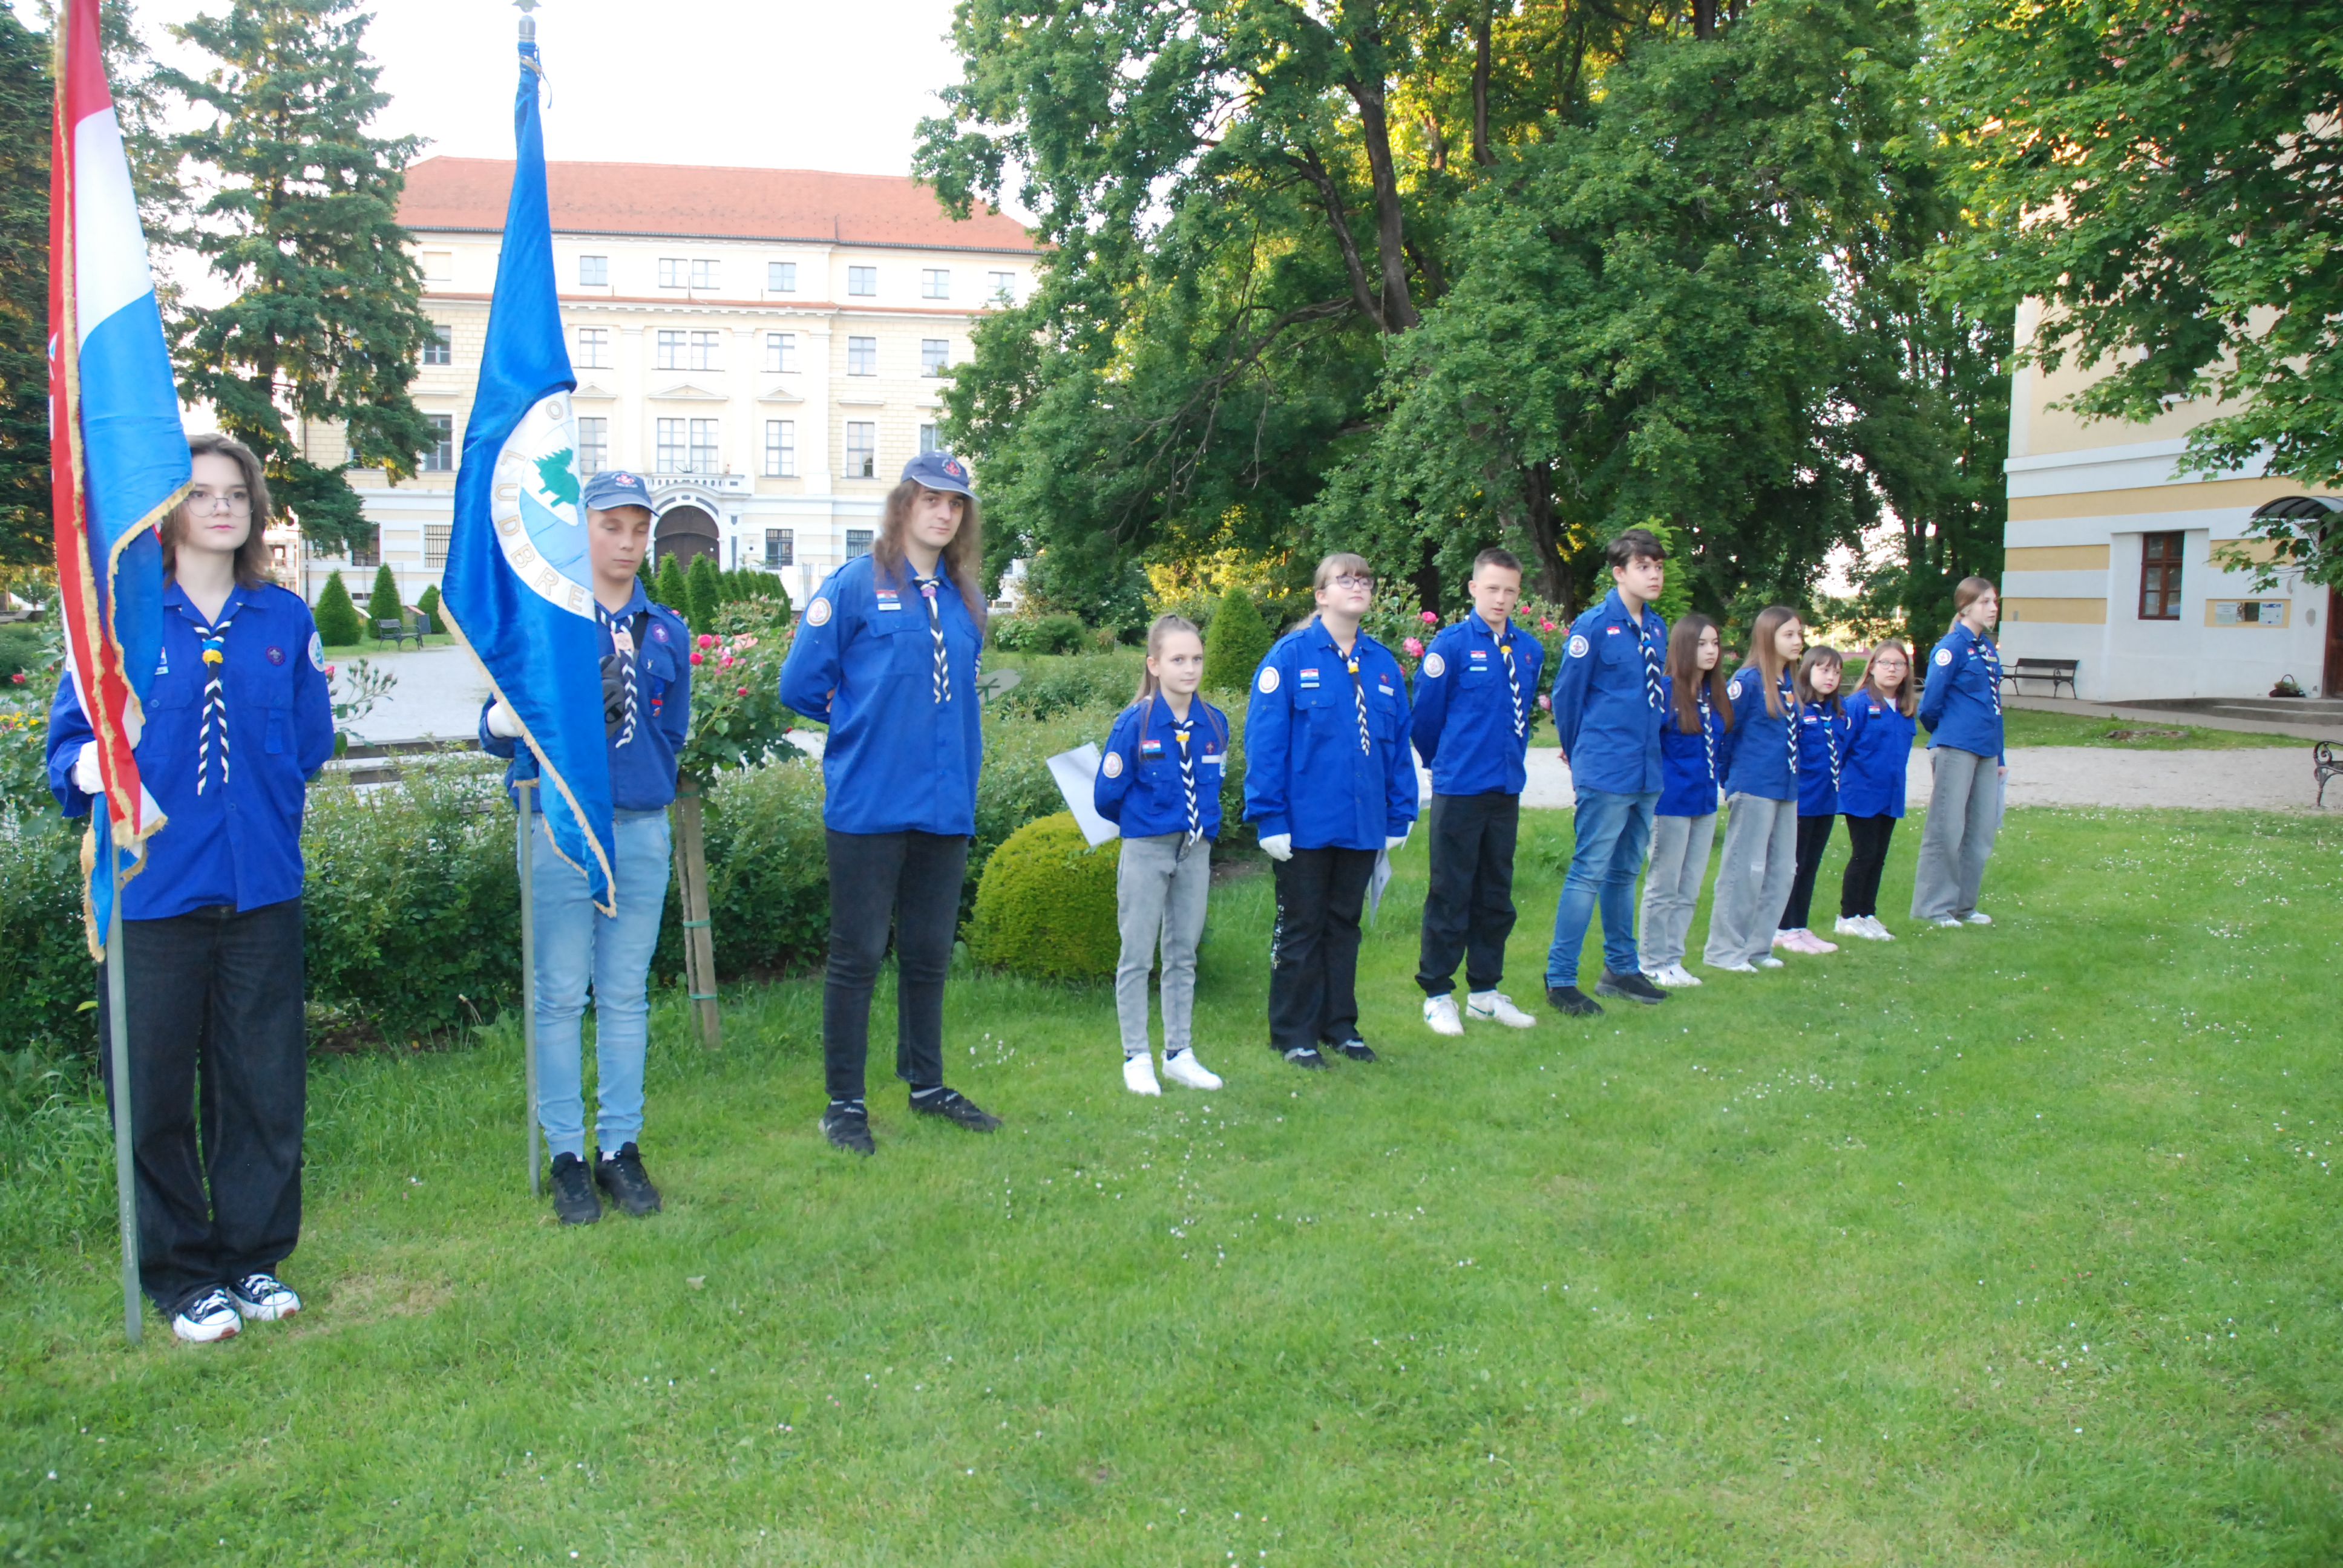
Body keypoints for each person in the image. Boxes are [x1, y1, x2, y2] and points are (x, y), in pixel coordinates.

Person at [45, 433, 333, 1342]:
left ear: (254, 511)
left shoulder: (284, 619)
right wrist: (87, 766)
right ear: (169, 513)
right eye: (202, 493)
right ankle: (181, 1275)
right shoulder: (119, 624)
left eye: (236, 494)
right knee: (154, 1096)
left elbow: (310, 742)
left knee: (262, 1087)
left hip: (260, 889)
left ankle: (253, 1258)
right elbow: (67, 750)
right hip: (153, 892)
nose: (222, 507)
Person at [480, 468, 688, 1225]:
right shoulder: (547, 621)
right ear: (582, 530)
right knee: (561, 994)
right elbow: (492, 729)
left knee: (625, 994)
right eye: (610, 527)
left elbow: (670, 732)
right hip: (560, 829)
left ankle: (619, 1148)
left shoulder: (665, 630)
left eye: (638, 529)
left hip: (639, 828)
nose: (627, 543)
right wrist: (514, 718)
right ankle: (566, 1154)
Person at [779, 451, 1001, 1152]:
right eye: (931, 498)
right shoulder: (855, 585)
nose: (944, 512)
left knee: (929, 952)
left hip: (944, 802)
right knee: (857, 957)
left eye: (955, 503)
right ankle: (844, 1103)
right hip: (870, 803)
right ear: (904, 504)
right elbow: (798, 684)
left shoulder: (965, 599)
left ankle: (926, 1085)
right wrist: (861, 724)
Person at [1244, 552, 1418, 1069]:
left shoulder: (1381, 664)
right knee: (1301, 928)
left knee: (1345, 927)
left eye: (1364, 579)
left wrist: (1399, 813)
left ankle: (1339, 1026)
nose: (1357, 586)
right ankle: (1293, 1033)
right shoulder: (1289, 658)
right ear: (1321, 596)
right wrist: (1269, 817)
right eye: (1344, 579)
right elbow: (1265, 744)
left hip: (1361, 824)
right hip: (1305, 826)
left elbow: (1398, 746)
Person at [1408, 548, 1544, 1036]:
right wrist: (1441, 764)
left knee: (1495, 894)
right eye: (1491, 588)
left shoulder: (1528, 649)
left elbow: (1520, 718)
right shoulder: (1451, 646)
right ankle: (1437, 994)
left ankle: (1485, 992)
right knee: (1451, 892)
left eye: (1510, 590)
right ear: (1472, 589)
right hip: (1460, 788)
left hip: (1504, 788)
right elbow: (1425, 719)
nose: (1500, 599)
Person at [1095, 616, 1229, 1094]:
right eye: (1177, 660)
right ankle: (1136, 1056)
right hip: (1147, 849)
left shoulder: (1214, 723)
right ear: (1154, 665)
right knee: (1136, 955)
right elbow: (1106, 796)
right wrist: (1145, 825)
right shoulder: (1135, 724)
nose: (1189, 669)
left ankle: (1179, 1054)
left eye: (1196, 659)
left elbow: (1215, 784)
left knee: (1182, 953)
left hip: (1195, 850)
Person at [1543, 529, 1671, 1016]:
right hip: (1606, 768)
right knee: (1588, 873)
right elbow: (1567, 697)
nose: (1654, 575)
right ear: (1619, 573)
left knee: (1626, 871)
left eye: (1658, 567)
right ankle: (1560, 978)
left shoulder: (1656, 628)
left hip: (1646, 769)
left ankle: (1621, 970)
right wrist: (1582, 755)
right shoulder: (1594, 626)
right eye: (1644, 567)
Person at [1702, 606, 1804, 974]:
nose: (1798, 641)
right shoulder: (1747, 682)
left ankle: (1758, 947)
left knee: (1783, 870)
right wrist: (1729, 782)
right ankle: (1724, 950)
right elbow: (1725, 732)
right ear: (1767, 638)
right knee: (1744, 869)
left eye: (1799, 634)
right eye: (1789, 635)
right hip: (1754, 786)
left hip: (1786, 788)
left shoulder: (1789, 683)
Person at [1637, 613, 1735, 989]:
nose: (1711, 651)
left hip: (1705, 802)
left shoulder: (1713, 694)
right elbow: (1646, 746)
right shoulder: (1664, 692)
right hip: (1671, 804)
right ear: (1682, 647)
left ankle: (1673, 958)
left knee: (1689, 886)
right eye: (1702, 644)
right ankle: (1651, 960)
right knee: (1664, 884)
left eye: (1715, 644)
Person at [1912, 577, 2007, 927]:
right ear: (1965, 607)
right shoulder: (1951, 647)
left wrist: (2001, 757)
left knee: (1980, 830)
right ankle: (1934, 907)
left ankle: (1963, 906)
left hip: (1987, 749)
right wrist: (1950, 735)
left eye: (1995, 601)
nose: (1993, 608)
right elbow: (1930, 705)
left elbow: (1995, 706)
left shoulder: (1987, 649)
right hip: (1957, 746)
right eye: (1985, 602)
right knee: (1947, 829)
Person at [1833, 639, 1916, 941]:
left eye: (1899, 664)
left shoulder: (1905, 709)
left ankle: (1867, 913)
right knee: (1864, 854)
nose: (1892, 669)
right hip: (1862, 792)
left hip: (1890, 794)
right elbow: (1841, 748)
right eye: (1885, 663)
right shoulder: (1858, 705)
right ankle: (1848, 916)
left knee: (1879, 856)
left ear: (1906, 671)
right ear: (1872, 667)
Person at [1775, 645, 1852, 955]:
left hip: (1826, 801)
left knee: (1811, 865)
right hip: (1802, 801)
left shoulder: (1837, 712)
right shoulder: (1798, 709)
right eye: (1824, 670)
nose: (1831, 677)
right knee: (1793, 865)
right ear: (1808, 671)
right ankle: (1782, 927)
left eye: (1837, 672)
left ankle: (1799, 924)